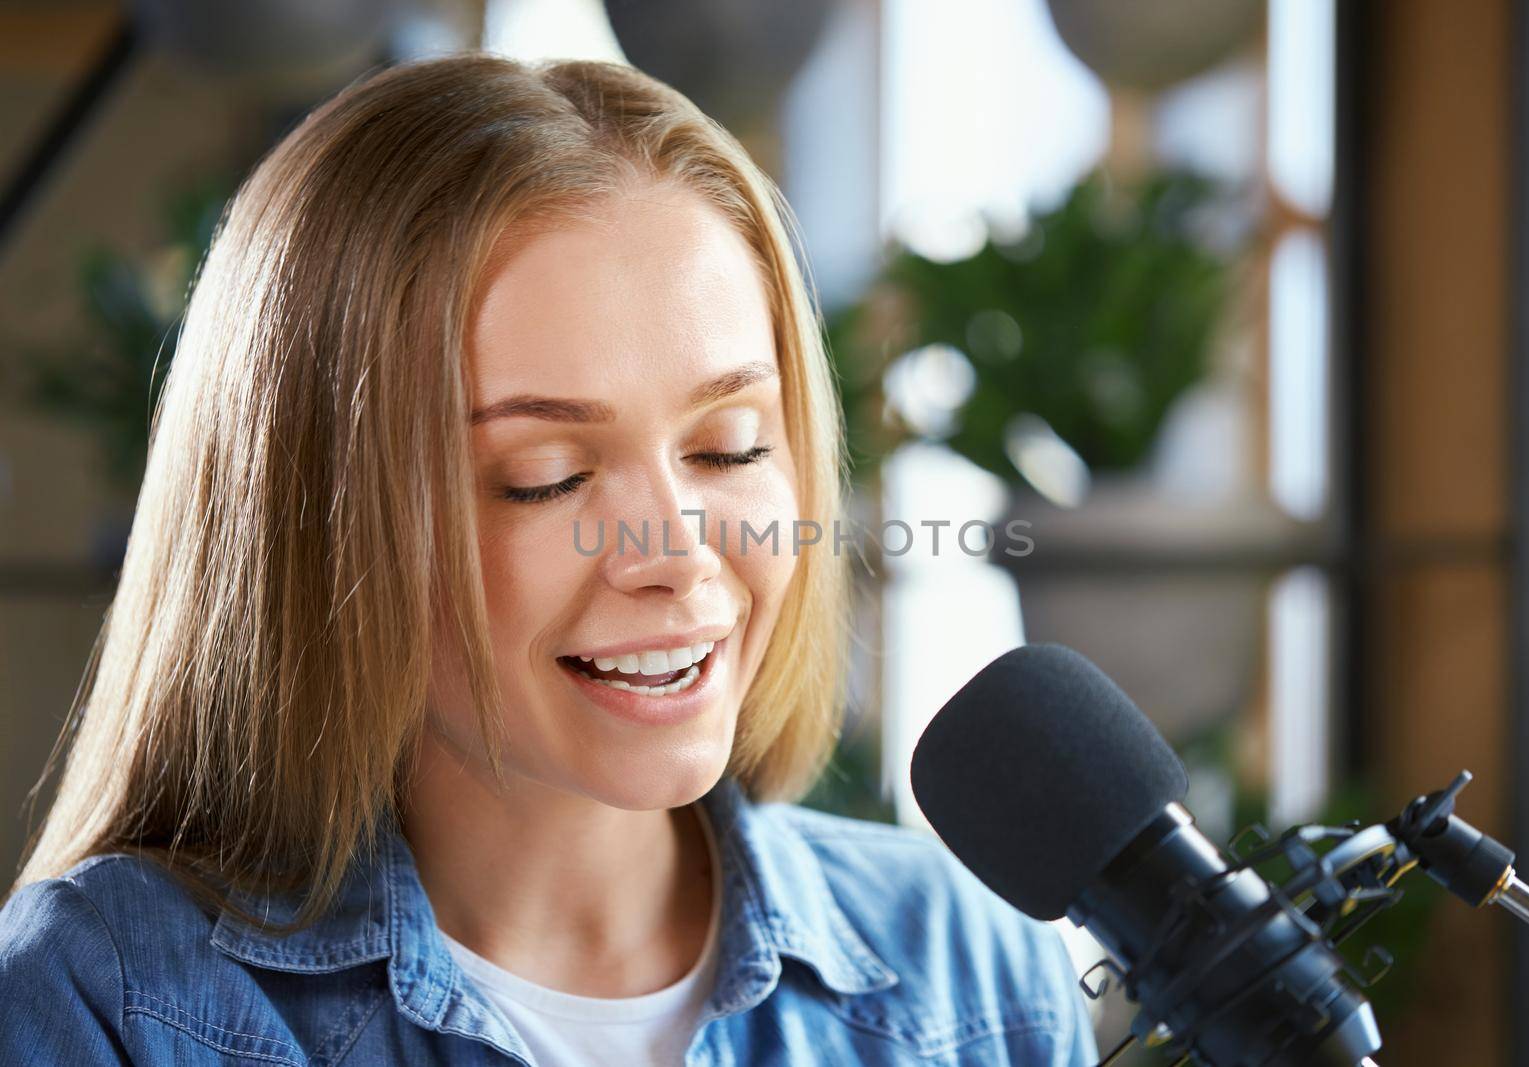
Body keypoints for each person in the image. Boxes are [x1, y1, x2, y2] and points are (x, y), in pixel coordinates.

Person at [0, 53, 1099, 1066]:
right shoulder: (114, 997)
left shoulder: (969, 968)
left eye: (730, 446)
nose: (675, 555)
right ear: (317, 518)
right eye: (546, 475)